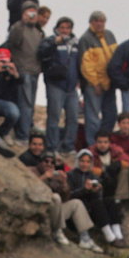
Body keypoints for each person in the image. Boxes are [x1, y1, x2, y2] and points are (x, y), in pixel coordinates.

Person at [37, 16, 80, 155]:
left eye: (67, 28)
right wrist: (54, 43)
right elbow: (41, 53)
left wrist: (80, 80)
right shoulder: (50, 40)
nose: (65, 30)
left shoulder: (76, 43)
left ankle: (68, 146)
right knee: (54, 117)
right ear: (57, 28)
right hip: (55, 84)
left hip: (72, 86)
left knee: (73, 117)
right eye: (62, 28)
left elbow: (80, 63)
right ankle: (52, 147)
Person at [78, 11, 118, 142]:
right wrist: (95, 82)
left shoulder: (110, 35)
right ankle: (92, 145)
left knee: (111, 115)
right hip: (94, 85)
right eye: (97, 21)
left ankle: (105, 143)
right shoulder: (86, 39)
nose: (100, 24)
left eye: (102, 21)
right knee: (93, 117)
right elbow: (86, 65)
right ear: (91, 22)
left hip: (110, 82)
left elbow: (116, 56)